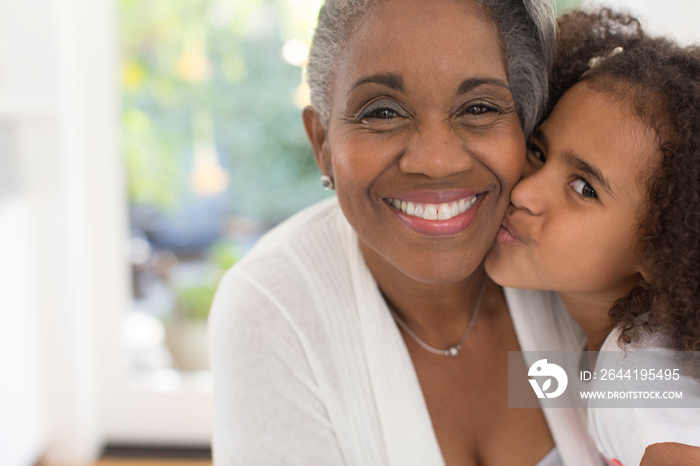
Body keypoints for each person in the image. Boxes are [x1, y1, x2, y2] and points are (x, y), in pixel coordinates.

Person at [208, 0, 603, 465]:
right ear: (322, 144)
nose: (437, 161)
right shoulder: (273, 309)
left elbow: (664, 409)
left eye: (478, 107)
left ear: (527, 128)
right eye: (382, 112)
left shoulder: (582, 263)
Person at [485, 9, 700, 466]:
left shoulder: (639, 388)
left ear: (662, 248)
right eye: (538, 152)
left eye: (584, 188)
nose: (524, 190)